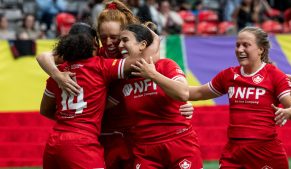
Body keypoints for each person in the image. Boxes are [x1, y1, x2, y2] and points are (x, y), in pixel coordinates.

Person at [37, 1, 194, 168]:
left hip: (134, 136)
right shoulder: (96, 56)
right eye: (103, 37)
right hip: (101, 134)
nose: (109, 42)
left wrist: (183, 102)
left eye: (115, 37)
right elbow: (44, 56)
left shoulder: (137, 56)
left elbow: (160, 83)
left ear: (125, 34)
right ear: (96, 40)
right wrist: (58, 75)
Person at [39, 22, 159, 169]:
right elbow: (142, 61)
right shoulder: (100, 66)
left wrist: (69, 119)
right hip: (81, 143)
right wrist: (156, 40)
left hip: (55, 141)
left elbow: (45, 110)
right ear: (94, 43)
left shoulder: (57, 74)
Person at [186, 26, 291, 169]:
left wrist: (288, 112)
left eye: (246, 45)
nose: (240, 49)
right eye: (238, 45)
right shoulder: (228, 75)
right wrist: (162, 83)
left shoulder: (274, 74)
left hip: (266, 152)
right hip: (234, 152)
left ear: (260, 49)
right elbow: (198, 93)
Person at [117, 23, 203, 169]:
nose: (119, 45)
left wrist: (152, 75)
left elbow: (183, 93)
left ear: (142, 44)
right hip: (144, 150)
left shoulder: (165, 65)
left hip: (180, 143)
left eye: (125, 40)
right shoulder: (121, 77)